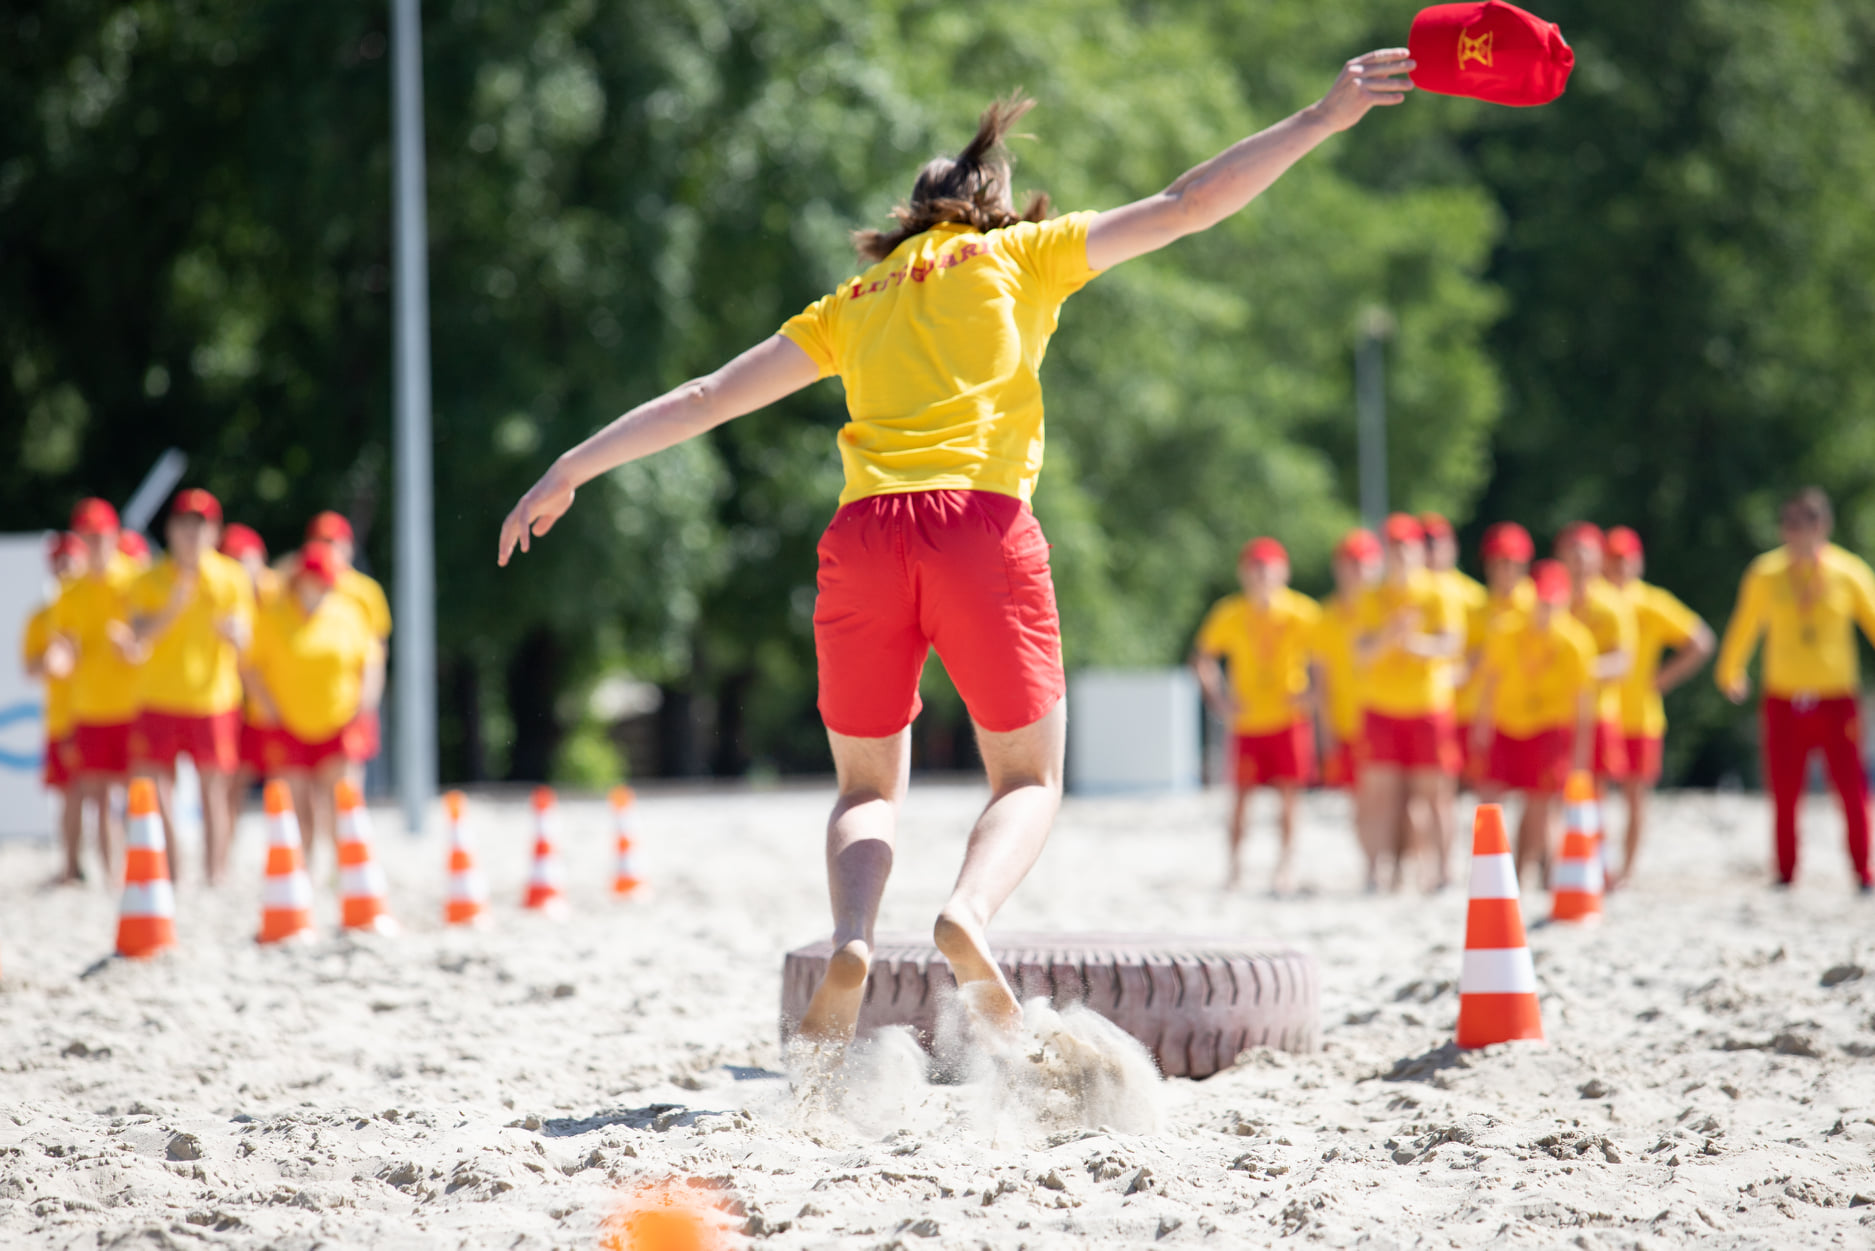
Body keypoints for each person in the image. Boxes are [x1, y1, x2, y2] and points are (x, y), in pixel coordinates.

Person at [497, 51, 1417, 1048]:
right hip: (979, 530)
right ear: (995, 206)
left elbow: (708, 397)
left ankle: (854, 934)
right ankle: (967, 914)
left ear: (915, 213)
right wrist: (1322, 118)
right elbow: (1188, 201)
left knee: (865, 789)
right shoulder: (1024, 257)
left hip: (863, 541)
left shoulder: (855, 301)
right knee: (1028, 780)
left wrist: (573, 468)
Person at [1715, 488, 1875, 891]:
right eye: (1787, 524)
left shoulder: (1848, 571)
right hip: (1783, 698)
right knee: (1784, 789)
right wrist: (1730, 669)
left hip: (1836, 699)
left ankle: (1862, 870)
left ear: (1822, 525)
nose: (1793, 532)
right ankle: (1786, 872)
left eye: (1802, 523)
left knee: (1850, 788)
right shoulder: (1766, 573)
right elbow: (1745, 624)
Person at [125, 490, 255, 885]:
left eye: (201, 526)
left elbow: (246, 635)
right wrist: (173, 607)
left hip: (212, 697)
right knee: (156, 789)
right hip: (157, 696)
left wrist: (236, 632)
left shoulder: (231, 576)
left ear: (214, 532)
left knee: (214, 790)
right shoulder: (148, 577)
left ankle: (214, 874)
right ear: (171, 529)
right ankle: (174, 871)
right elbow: (138, 629)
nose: (191, 534)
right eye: (184, 525)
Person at [1191, 538, 1321, 893]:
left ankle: (1286, 867)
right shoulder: (1230, 612)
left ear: (1284, 572)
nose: (1261, 575)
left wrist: (1313, 692)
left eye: (1268, 567)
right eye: (1255, 567)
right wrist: (1219, 700)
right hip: (1247, 721)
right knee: (1241, 800)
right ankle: (1235, 868)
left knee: (1290, 799)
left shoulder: (1303, 612)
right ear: (1243, 573)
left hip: (1289, 718)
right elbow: (1203, 658)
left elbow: (1326, 657)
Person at [243, 541, 383, 867]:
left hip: (338, 722)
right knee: (297, 809)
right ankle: (300, 873)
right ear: (299, 580)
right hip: (287, 724)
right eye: (315, 581)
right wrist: (267, 706)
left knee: (342, 803)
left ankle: (344, 871)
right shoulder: (273, 615)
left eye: (326, 583)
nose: (321, 589)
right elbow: (250, 665)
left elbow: (371, 660)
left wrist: (366, 701)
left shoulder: (347, 612)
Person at [1468, 559, 1597, 884]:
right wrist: (1480, 729)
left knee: (1539, 805)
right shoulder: (1505, 629)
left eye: (1553, 604)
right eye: (1542, 603)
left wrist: (1580, 759)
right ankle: (1489, 870)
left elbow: (1584, 707)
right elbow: (1489, 684)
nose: (1546, 611)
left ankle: (1524, 873)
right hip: (1505, 724)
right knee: (1489, 800)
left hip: (1548, 729)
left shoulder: (1576, 642)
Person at [1356, 513, 1463, 891]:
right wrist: (1392, 637)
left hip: (1427, 705)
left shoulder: (1437, 591)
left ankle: (1444, 871)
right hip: (1382, 706)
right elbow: (1362, 651)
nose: (1400, 554)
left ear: (1419, 550)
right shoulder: (1372, 595)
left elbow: (1452, 644)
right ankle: (1376, 873)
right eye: (1394, 546)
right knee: (1380, 796)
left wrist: (1412, 643)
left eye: (1407, 546)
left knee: (1435, 796)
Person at [1603, 525, 1713, 887]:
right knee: (1594, 796)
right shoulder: (1594, 599)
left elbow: (1701, 641)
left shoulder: (1650, 602)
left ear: (1639, 563)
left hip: (1640, 717)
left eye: (1625, 560)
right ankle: (1596, 866)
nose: (1619, 566)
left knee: (1635, 800)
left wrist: (1662, 680)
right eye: (1613, 559)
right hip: (1601, 715)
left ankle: (1626, 873)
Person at [46, 499, 140, 881]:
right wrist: (59, 657)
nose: (94, 543)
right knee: (99, 800)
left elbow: (149, 638)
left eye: (100, 536)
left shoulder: (136, 579)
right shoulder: (70, 590)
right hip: (89, 707)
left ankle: (143, 869)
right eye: (87, 536)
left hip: (134, 706)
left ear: (115, 536)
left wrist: (134, 647)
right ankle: (112, 874)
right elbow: (63, 641)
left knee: (139, 797)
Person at [1311, 528, 1381, 873]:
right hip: (1347, 721)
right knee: (1360, 802)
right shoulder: (1326, 615)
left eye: (1363, 565)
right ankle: (1372, 866)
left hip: (1388, 716)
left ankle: (1400, 864)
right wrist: (1324, 730)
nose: (1356, 573)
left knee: (1401, 800)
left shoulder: (1388, 606)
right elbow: (1320, 680)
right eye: (1349, 565)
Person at [302, 512, 391, 781]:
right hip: (308, 701)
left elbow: (378, 648)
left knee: (347, 784)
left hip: (350, 698)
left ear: (349, 547)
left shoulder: (364, 591)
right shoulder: (300, 584)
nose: (328, 549)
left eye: (334, 542)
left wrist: (367, 698)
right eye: (321, 542)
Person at [21, 533, 89, 882]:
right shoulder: (42, 617)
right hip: (64, 716)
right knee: (70, 796)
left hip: (100, 710)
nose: (65, 567)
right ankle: (71, 865)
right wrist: (50, 660)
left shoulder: (97, 604)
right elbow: (31, 668)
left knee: (107, 795)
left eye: (71, 559)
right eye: (59, 560)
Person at [1557, 522, 1635, 789]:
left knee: (1592, 793)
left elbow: (1623, 661)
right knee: (1551, 790)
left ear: (1599, 557)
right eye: (1572, 551)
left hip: (1598, 712)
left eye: (1585, 552)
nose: (1579, 560)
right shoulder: (1550, 601)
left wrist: (1581, 670)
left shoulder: (1612, 603)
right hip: (1556, 712)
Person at [220, 524, 280, 797]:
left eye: (244, 560)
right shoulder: (222, 594)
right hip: (241, 705)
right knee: (232, 782)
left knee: (291, 779)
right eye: (232, 561)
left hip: (278, 701)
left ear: (260, 558)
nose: (240, 569)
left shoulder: (280, 593)